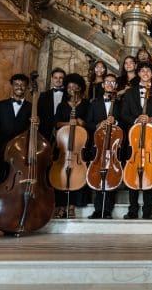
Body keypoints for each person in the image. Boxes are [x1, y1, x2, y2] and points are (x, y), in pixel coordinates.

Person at [0, 73, 33, 237]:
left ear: (27, 87)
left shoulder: (33, 107)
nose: (19, 87)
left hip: (19, 156)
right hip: (0, 153)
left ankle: (9, 224)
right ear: (11, 85)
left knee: (16, 191)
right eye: (16, 84)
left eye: (23, 84)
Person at [121, 62, 152, 220]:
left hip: (150, 141)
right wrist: (136, 119)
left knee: (149, 172)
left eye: (148, 70)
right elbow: (123, 114)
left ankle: (148, 210)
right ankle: (132, 209)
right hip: (133, 139)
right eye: (143, 70)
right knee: (132, 172)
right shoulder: (129, 93)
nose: (146, 73)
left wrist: (151, 119)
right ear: (139, 73)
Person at [85, 74, 122, 219]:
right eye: (107, 82)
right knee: (98, 177)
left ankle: (107, 210)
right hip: (98, 145)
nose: (109, 84)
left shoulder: (120, 103)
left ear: (116, 86)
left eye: (113, 82)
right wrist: (99, 124)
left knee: (111, 176)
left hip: (113, 145)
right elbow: (88, 123)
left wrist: (116, 122)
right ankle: (97, 209)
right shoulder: (94, 103)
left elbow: (125, 121)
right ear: (102, 85)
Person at [53, 73, 90, 219]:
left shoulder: (87, 104)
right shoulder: (62, 105)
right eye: (69, 87)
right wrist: (69, 123)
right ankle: (61, 205)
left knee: (77, 175)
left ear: (80, 88)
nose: (71, 89)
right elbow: (56, 123)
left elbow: (90, 122)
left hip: (79, 146)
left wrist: (82, 122)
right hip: (64, 145)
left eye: (74, 86)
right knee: (60, 173)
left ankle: (72, 206)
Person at [38, 67, 66, 141]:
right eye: (55, 78)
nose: (58, 80)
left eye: (61, 78)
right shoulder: (43, 95)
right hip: (45, 132)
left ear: (64, 79)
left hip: (64, 132)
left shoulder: (68, 96)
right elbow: (39, 114)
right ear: (52, 79)